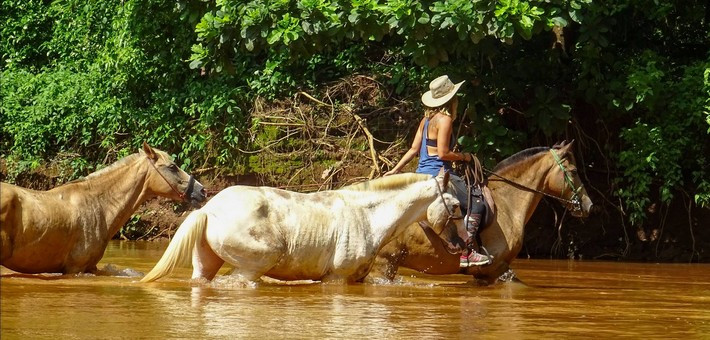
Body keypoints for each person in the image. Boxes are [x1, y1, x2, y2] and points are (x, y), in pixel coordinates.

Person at [384, 75, 491, 267]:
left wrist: (395, 170)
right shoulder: (445, 120)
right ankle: (467, 252)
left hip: (420, 175)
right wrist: (464, 157)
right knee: (477, 202)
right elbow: (442, 153)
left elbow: (413, 149)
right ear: (451, 99)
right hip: (438, 174)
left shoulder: (425, 120)